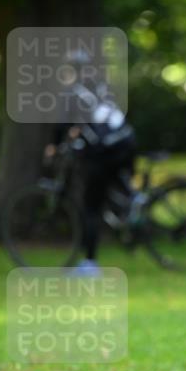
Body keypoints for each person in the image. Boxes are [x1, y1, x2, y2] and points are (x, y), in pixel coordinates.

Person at [44, 50, 136, 273]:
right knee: (122, 192)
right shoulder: (100, 86)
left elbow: (63, 125)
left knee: (91, 206)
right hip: (125, 141)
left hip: (104, 151)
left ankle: (90, 264)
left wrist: (54, 147)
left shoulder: (73, 92)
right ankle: (133, 215)